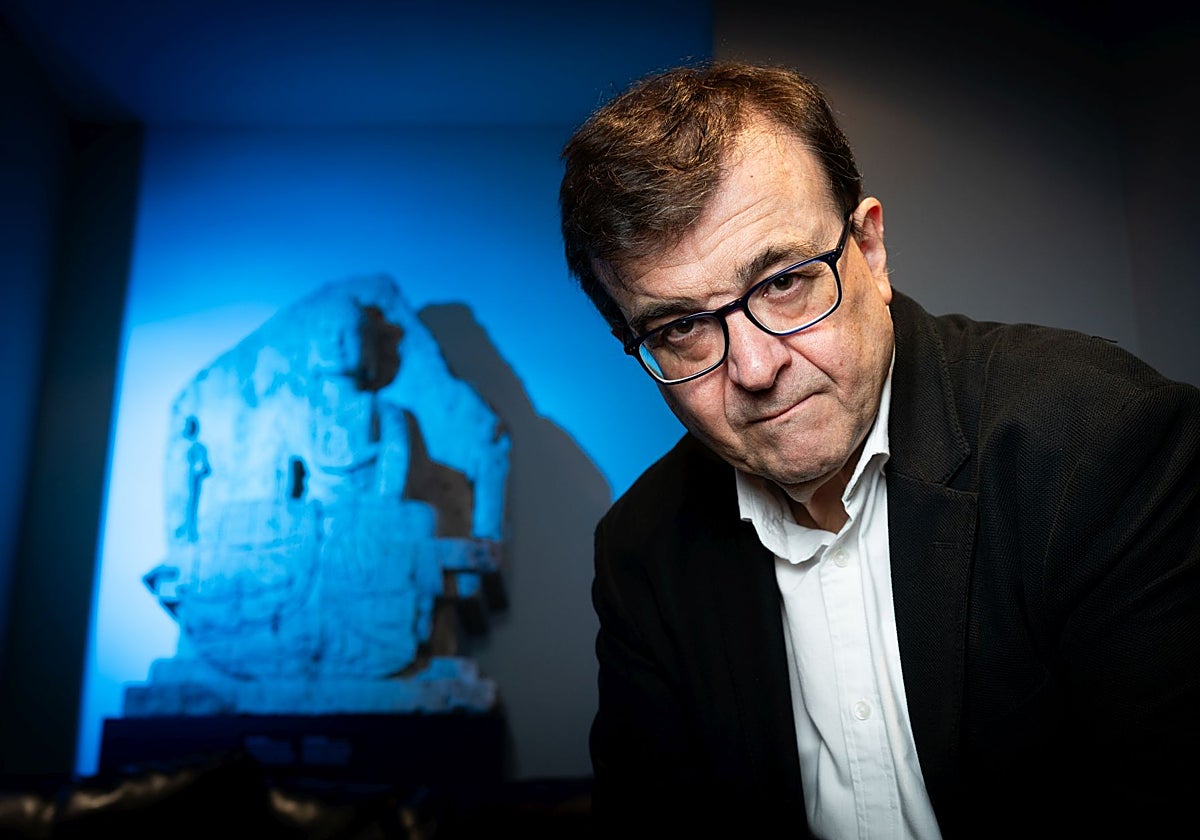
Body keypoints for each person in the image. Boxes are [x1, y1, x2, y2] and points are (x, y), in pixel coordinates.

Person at [558, 60, 1200, 839]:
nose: (755, 369)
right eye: (681, 326)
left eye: (783, 282)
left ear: (868, 249)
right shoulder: (641, 549)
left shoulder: (1100, 440)